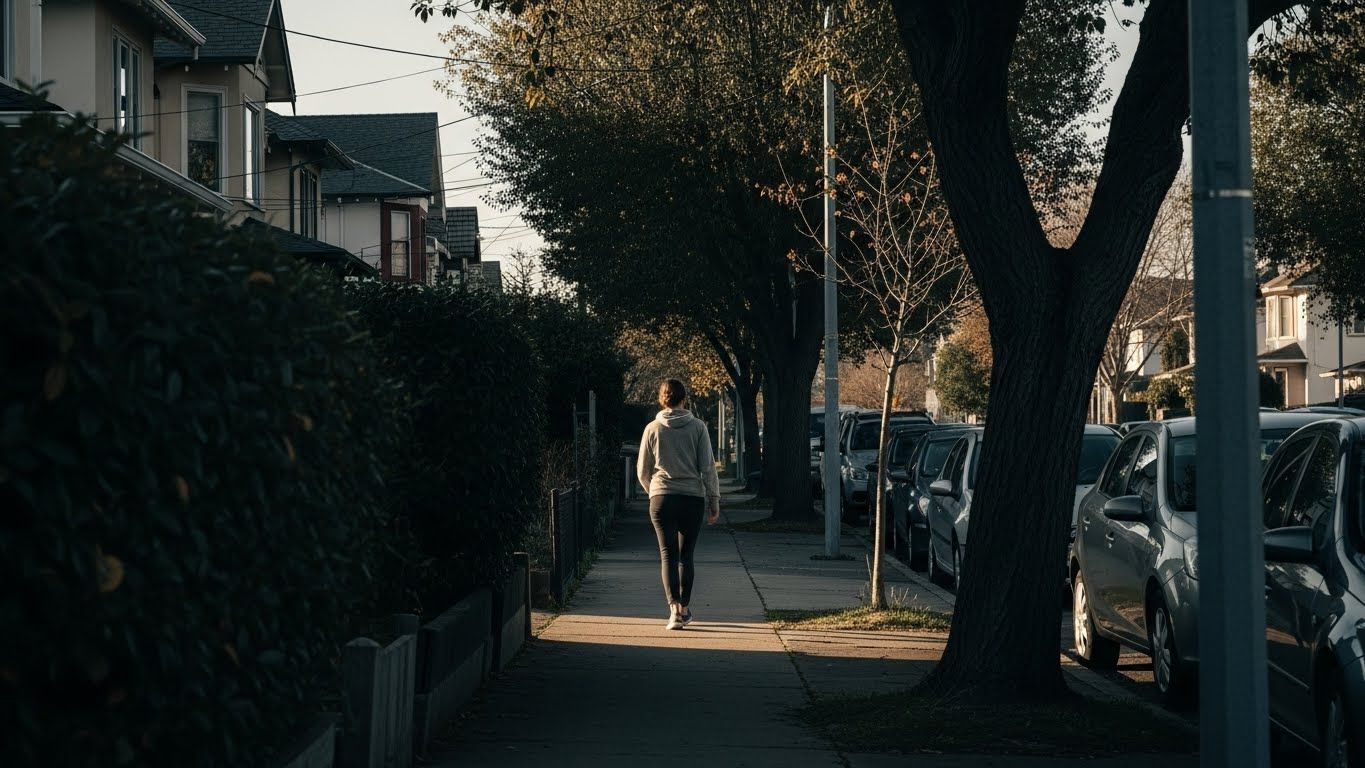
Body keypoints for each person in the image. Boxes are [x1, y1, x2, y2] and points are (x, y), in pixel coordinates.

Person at [636, 378, 721, 630]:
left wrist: (653, 491)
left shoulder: (652, 428)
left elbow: (642, 470)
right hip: (692, 498)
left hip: (662, 497)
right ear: (684, 398)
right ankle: (685, 609)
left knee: (667, 555)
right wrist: (713, 500)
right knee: (687, 556)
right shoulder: (698, 428)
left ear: (662, 399)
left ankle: (673, 611)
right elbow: (708, 468)